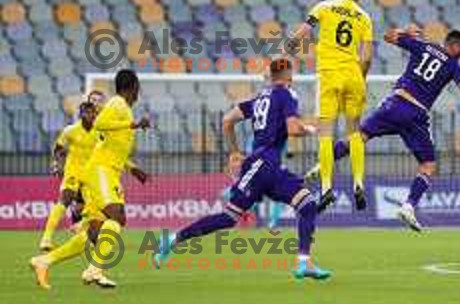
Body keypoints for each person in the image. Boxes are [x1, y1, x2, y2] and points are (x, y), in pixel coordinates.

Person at [306, 27, 460, 231]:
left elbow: (387, 35)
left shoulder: (423, 45)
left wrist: (405, 31)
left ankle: (322, 165)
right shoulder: (454, 67)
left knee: (360, 137)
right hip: (415, 113)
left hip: (394, 104)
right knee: (428, 164)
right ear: (454, 45)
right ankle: (408, 206)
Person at [155, 58, 331, 280]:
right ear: (288, 76)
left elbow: (228, 120)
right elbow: (293, 129)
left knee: (234, 216)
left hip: (259, 165)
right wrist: (312, 129)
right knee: (305, 205)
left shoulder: (259, 99)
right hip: (266, 164)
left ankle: (172, 240)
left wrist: (234, 152)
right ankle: (303, 262)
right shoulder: (286, 95)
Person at [30, 70, 150, 289]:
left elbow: (111, 145)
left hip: (107, 171)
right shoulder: (117, 103)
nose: (138, 94)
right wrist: (132, 125)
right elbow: (100, 123)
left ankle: (44, 261)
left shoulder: (122, 108)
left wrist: (132, 169)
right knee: (117, 216)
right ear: (132, 87)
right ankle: (94, 269)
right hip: (101, 171)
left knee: (93, 230)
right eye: (137, 88)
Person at [287, 0, 374, 213]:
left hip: (329, 76)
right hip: (353, 76)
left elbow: (302, 33)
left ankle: (326, 188)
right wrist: (359, 78)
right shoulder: (364, 18)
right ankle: (358, 183)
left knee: (325, 134)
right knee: (354, 132)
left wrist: (287, 49)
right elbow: (366, 57)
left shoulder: (324, 7)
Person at [39, 99, 102, 252]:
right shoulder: (70, 130)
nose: (90, 115)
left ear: (96, 114)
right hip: (73, 173)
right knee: (64, 200)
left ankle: (80, 228)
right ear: (81, 114)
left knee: (98, 208)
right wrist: (56, 164)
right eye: (86, 112)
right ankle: (46, 238)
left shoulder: (100, 132)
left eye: (92, 112)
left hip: (91, 175)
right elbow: (58, 148)